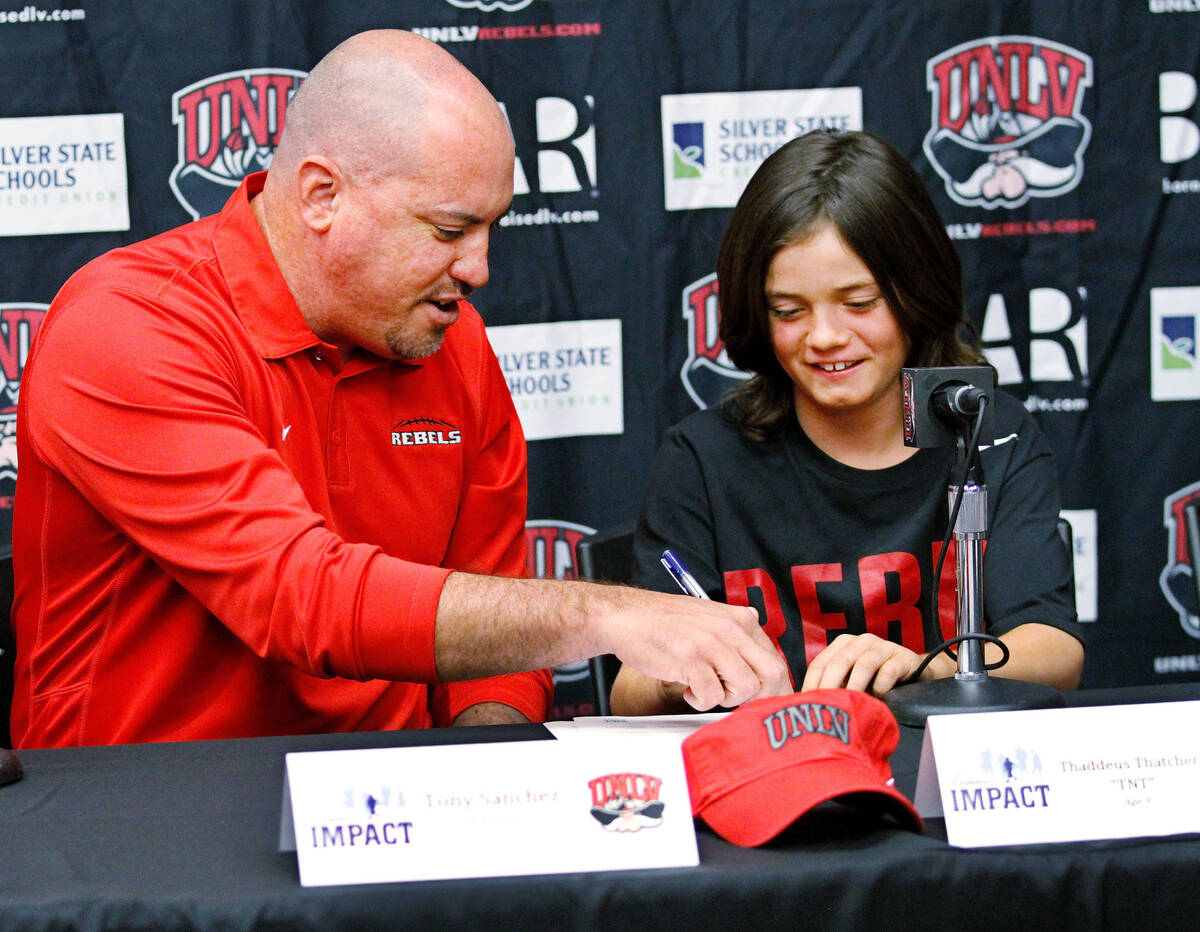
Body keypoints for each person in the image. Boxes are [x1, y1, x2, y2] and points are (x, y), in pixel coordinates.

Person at [11, 30, 788, 748]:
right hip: (140, 831)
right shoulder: (130, 324)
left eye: (493, 229)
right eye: (449, 232)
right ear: (322, 196)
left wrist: (489, 766)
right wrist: (608, 611)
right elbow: (301, 596)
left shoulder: (459, 343)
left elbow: (494, 624)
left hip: (384, 815)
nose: (479, 269)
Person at [610, 129, 1083, 716]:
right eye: (789, 311)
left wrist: (929, 669)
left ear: (916, 291)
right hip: (774, 781)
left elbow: (1056, 648)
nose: (826, 337)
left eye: (859, 304)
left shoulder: (989, 430)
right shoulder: (702, 458)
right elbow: (629, 690)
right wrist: (684, 671)